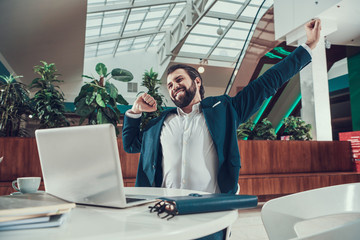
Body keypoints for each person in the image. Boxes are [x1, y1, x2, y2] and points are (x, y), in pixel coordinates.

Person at [122, 18, 321, 239]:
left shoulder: (224, 110)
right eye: (169, 85)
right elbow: (131, 145)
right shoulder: (160, 123)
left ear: (196, 81)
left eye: (179, 79)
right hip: (164, 214)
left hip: (208, 214)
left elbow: (267, 83)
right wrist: (135, 111)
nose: (173, 86)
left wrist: (307, 46)